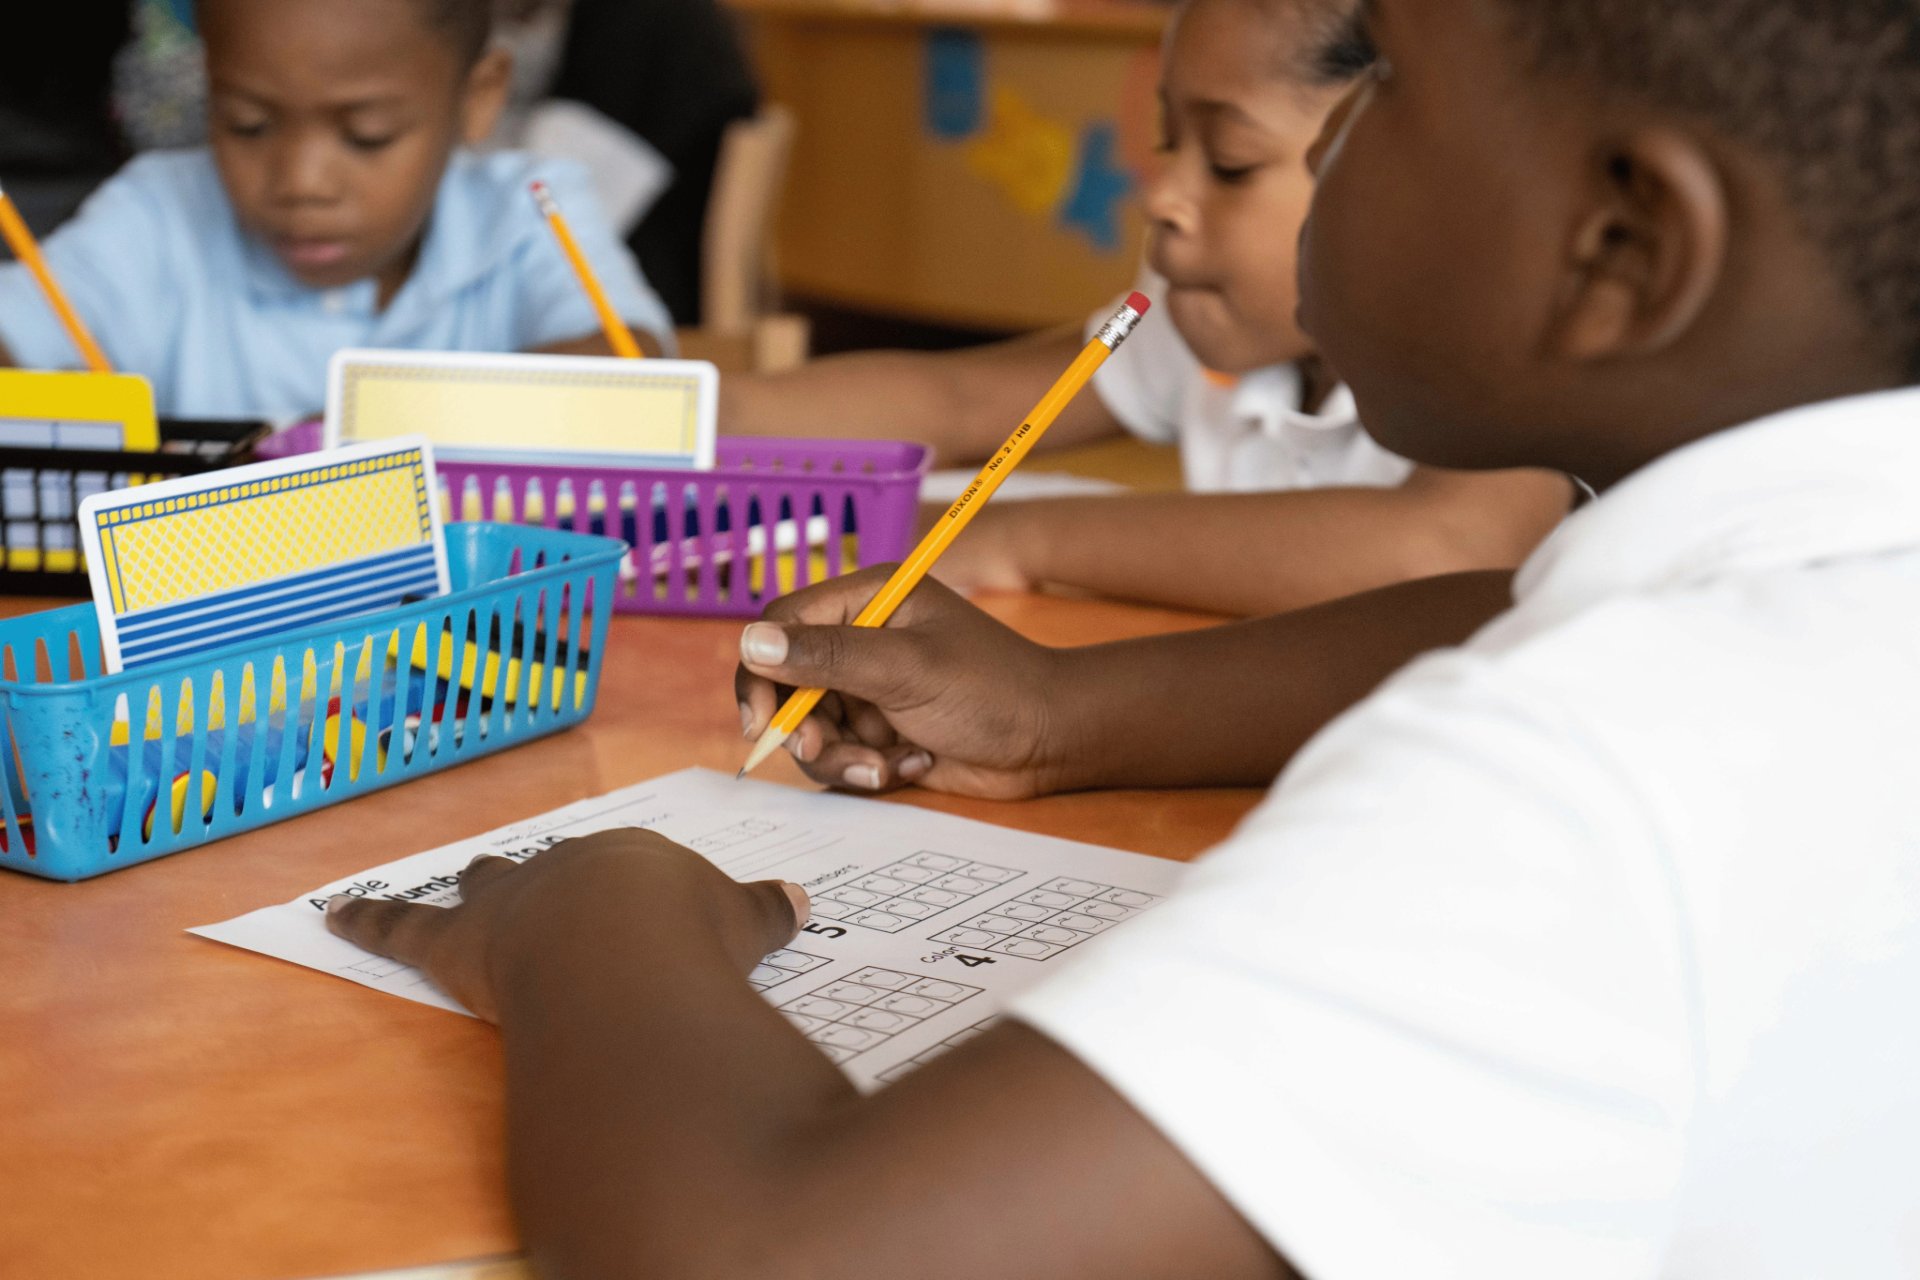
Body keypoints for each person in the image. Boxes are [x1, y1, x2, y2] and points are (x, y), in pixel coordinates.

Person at [330, 0, 1920, 1274]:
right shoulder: (1802, 602)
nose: (1338, 152)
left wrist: (589, 919)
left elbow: (767, 1251)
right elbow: (1508, 604)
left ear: (1624, 247)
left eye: (1393, 96)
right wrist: (1063, 712)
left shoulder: (1590, 777)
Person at [722, 0, 1571, 617]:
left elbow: (1446, 549)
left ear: (1411, 168)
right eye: (1169, 144)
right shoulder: (1179, 317)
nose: (1162, 196)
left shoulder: (1513, 347)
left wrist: (1026, 536)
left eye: (1231, 162)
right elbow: (962, 401)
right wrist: (690, 413)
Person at [0, 0, 671, 420]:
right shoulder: (158, 213)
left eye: (366, 135)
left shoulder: (529, 211)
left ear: (478, 97)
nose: (302, 183)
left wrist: (322, 449)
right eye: (247, 124)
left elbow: (630, 379)